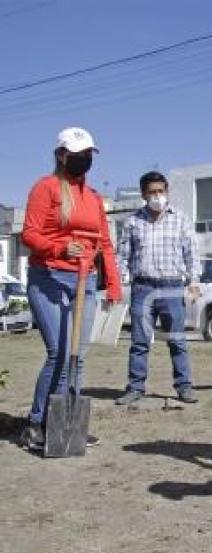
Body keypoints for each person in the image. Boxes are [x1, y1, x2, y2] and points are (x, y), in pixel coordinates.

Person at [18, 127, 122, 451]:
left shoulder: (92, 198)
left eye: (89, 154)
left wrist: (115, 284)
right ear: (62, 155)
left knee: (77, 358)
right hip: (48, 276)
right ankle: (37, 423)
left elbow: (104, 243)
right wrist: (59, 249)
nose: (84, 160)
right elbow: (29, 234)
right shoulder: (46, 188)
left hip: (85, 280)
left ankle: (65, 423)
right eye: (78, 154)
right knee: (59, 353)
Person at [115, 171, 201, 406]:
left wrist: (194, 282)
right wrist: (117, 284)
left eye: (161, 191)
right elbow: (122, 256)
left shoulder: (180, 219)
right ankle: (135, 387)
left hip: (172, 287)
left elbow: (192, 253)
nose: (157, 196)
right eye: (152, 192)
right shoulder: (133, 222)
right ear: (143, 194)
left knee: (177, 341)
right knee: (139, 342)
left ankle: (184, 387)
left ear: (167, 191)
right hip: (142, 288)